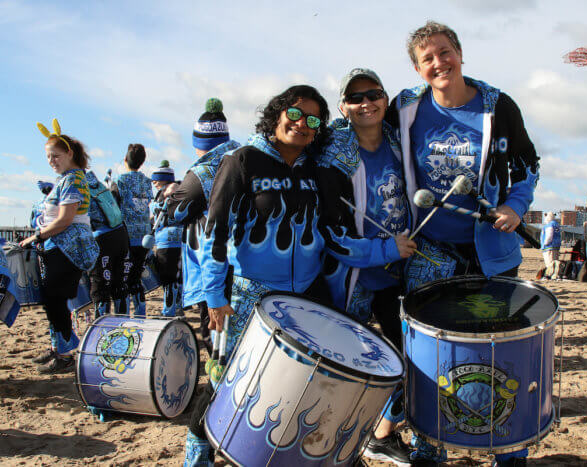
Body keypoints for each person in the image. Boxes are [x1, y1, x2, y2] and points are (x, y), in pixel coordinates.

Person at [182, 85, 415, 466]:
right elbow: (215, 231)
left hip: (308, 293)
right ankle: (199, 449)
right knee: (228, 376)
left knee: (311, 380)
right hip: (249, 293)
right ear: (276, 113)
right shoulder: (242, 160)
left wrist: (388, 249)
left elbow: (335, 237)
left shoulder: (314, 169)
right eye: (294, 114)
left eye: (312, 120)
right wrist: (214, 295)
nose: (302, 125)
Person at [386, 21, 539, 467]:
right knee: (428, 357)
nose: (439, 63)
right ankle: (428, 446)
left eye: (444, 51)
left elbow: (528, 166)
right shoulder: (407, 107)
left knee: (496, 350)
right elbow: (368, 137)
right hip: (428, 252)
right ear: (418, 69)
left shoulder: (499, 105)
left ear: (460, 52)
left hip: (489, 256)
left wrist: (515, 207)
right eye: (427, 58)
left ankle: (507, 447)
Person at [317, 68, 412, 465]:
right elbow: (332, 235)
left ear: (385, 100)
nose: (365, 103)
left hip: (396, 276)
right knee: (343, 371)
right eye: (355, 98)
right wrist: (388, 249)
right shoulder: (330, 153)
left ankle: (382, 435)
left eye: (373, 94)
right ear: (343, 107)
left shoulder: (399, 140)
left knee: (410, 362)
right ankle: (335, 449)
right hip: (350, 280)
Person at [19, 119, 99, 373]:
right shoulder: (66, 179)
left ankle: (65, 352)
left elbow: (65, 219)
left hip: (68, 249)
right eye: (48, 157)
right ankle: (59, 347)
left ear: (69, 153)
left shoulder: (74, 180)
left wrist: (37, 237)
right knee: (53, 299)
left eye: (55, 155)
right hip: (59, 248)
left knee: (54, 298)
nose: (51, 160)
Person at [165, 97, 239, 350]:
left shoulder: (205, 171)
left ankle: (219, 386)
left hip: (214, 264)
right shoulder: (244, 158)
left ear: (200, 144)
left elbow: (174, 213)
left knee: (216, 333)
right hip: (243, 262)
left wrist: (172, 192)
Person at [113, 143, 152, 316]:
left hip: (125, 237)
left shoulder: (120, 181)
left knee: (122, 281)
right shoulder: (147, 182)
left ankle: (121, 317)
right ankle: (140, 315)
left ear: (125, 159)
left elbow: (113, 209)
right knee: (136, 280)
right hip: (144, 237)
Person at [85, 168, 129, 317]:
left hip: (102, 239)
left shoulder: (77, 186)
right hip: (121, 233)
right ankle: (123, 326)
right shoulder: (99, 185)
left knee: (100, 287)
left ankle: (102, 331)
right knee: (119, 285)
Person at [149, 161, 183, 317]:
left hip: (169, 241)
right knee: (177, 276)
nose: (154, 182)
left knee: (168, 279)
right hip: (175, 239)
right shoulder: (170, 192)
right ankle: (178, 308)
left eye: (157, 178)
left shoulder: (170, 190)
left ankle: (168, 312)